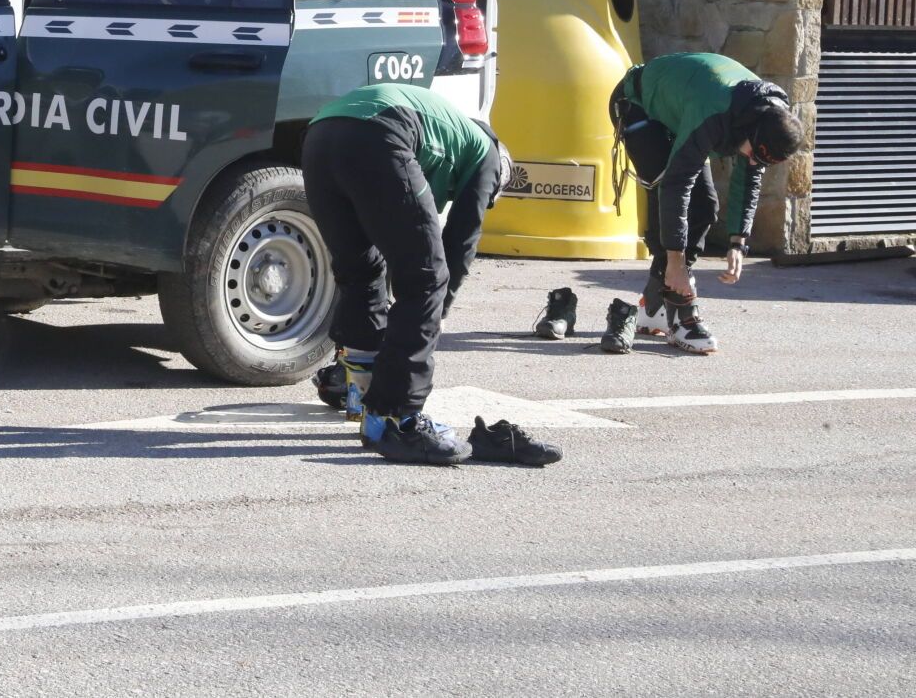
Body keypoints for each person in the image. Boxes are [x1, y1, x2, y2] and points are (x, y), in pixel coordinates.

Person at [303, 83, 553, 466]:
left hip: (321, 133)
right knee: (425, 278)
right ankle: (398, 417)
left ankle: (359, 387)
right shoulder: (486, 158)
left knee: (360, 269)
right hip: (381, 132)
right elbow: (458, 249)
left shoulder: (446, 138)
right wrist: (429, 317)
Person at [536, 52, 805, 354]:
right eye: (755, 153)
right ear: (751, 131)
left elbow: (750, 177)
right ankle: (680, 312)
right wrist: (676, 262)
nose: (753, 162)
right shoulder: (714, 113)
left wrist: (738, 242)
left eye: (763, 160)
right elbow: (676, 186)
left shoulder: (768, 120)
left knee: (704, 208)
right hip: (639, 106)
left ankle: (654, 306)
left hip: (680, 111)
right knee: (675, 193)